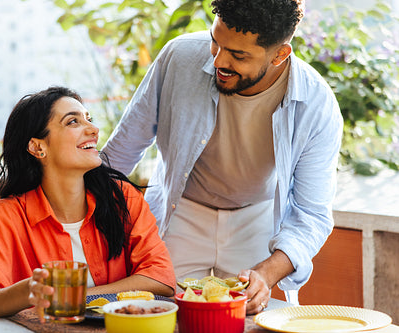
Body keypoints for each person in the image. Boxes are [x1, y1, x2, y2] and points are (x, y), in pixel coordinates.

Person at [101, 0, 343, 314]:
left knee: (249, 319)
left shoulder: (316, 104)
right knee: (157, 316)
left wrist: (265, 274)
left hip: (257, 219)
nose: (218, 60)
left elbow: (312, 215)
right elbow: (121, 152)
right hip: (181, 211)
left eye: (238, 55)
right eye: (216, 42)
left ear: (280, 54)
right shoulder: (179, 57)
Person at [0, 86, 175, 319]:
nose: (93, 129)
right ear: (37, 147)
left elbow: (160, 279)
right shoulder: (4, 217)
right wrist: (26, 292)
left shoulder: (123, 199)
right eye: (73, 122)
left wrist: (77, 296)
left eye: (89, 119)